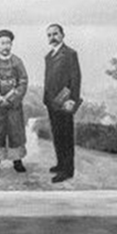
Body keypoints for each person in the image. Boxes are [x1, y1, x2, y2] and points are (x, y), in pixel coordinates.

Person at [0, 29, 29, 173]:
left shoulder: (17, 61)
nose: (6, 46)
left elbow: (23, 81)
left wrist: (12, 98)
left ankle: (17, 160)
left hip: (13, 106)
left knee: (15, 133)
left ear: (11, 44)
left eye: (8, 43)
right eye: (2, 43)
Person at [43, 23, 81, 183]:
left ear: (62, 35)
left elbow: (76, 78)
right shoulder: (48, 56)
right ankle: (60, 164)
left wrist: (72, 99)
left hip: (65, 101)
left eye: (55, 34)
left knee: (66, 136)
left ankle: (67, 170)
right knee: (57, 135)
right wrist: (46, 99)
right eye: (49, 35)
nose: (52, 37)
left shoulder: (70, 54)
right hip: (52, 102)